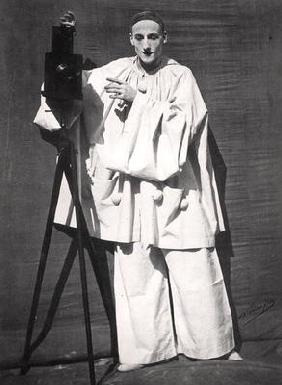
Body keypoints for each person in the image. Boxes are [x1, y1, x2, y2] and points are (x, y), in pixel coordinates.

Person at [34, 10, 242, 372]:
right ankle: (147, 351)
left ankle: (214, 347)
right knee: (137, 267)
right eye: (140, 37)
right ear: (131, 40)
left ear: (165, 38)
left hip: (176, 188)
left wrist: (139, 100)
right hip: (132, 193)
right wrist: (63, 42)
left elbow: (187, 124)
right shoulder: (114, 71)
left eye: (153, 37)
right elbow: (67, 89)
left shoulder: (181, 76)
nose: (147, 44)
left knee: (194, 263)